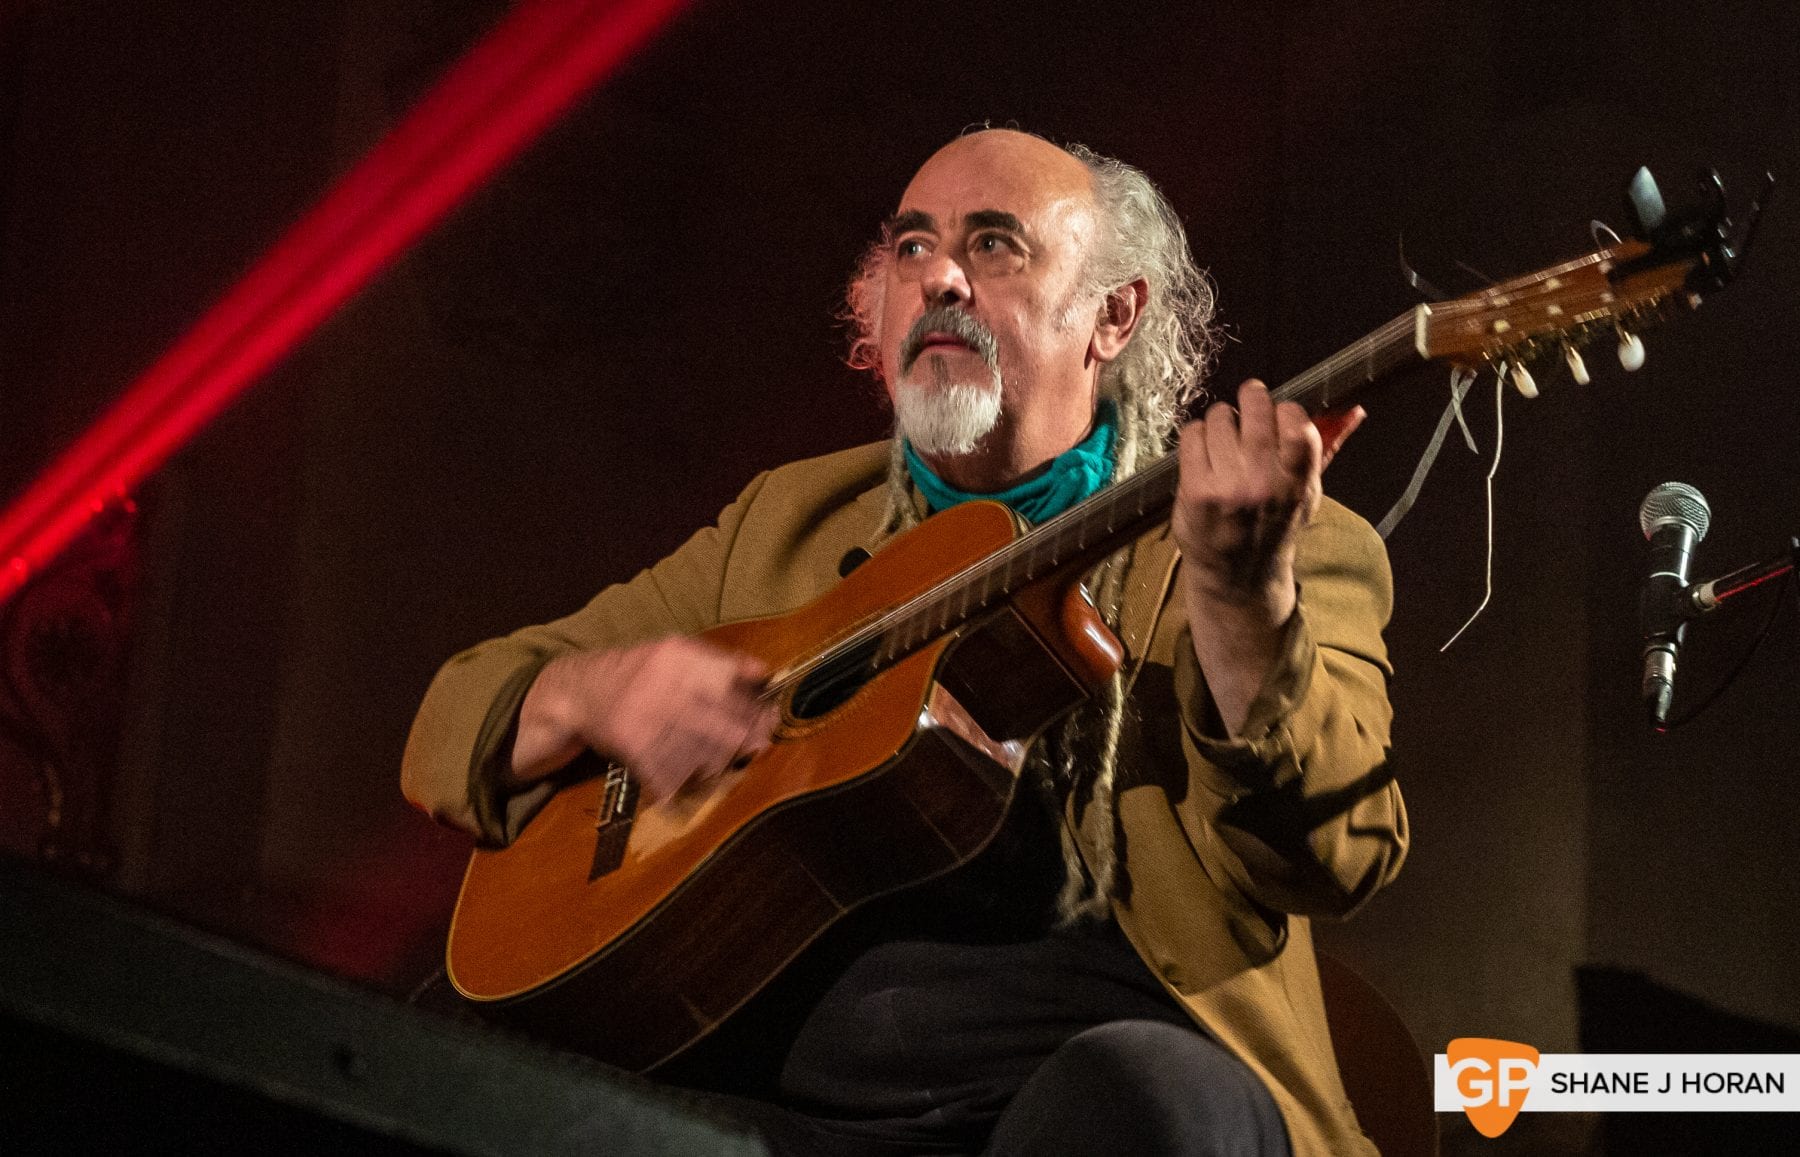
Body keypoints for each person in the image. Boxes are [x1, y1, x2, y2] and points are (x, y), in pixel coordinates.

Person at [402, 128, 1406, 1156]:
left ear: (1113, 315)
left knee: (1146, 1094)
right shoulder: (791, 520)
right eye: (913, 247)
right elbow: (455, 711)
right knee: (437, 1059)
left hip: (1084, 1087)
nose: (940, 281)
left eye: (996, 246)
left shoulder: (1269, 541)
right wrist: (595, 692)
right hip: (778, 1098)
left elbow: (1332, 855)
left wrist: (1243, 599)